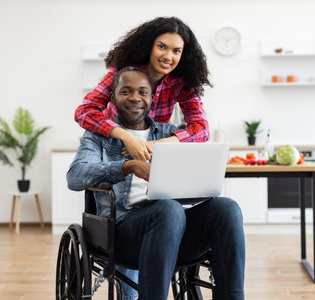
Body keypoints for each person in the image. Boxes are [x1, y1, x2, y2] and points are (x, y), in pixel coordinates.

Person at [67, 67, 245, 300]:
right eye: (126, 91)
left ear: (152, 98)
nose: (135, 98)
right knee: (167, 208)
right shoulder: (98, 136)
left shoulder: (170, 134)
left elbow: (200, 135)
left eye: (143, 92)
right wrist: (128, 167)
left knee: (226, 207)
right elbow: (75, 176)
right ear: (112, 97)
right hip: (122, 232)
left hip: (174, 230)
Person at [74, 16, 212, 161]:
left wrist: (157, 144)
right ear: (149, 46)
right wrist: (126, 136)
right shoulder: (125, 72)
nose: (168, 57)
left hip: (150, 152)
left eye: (176, 51)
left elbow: (201, 129)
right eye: (162, 47)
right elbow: (85, 110)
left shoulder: (181, 82)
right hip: (112, 147)